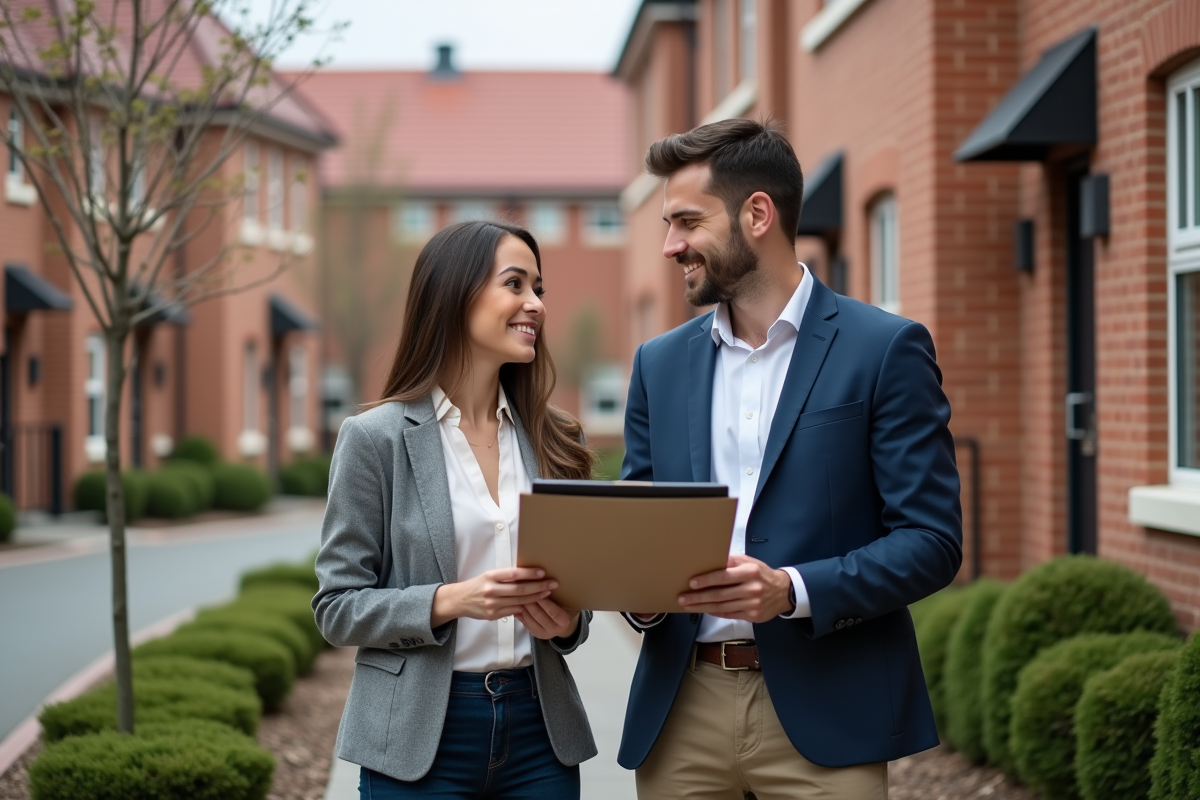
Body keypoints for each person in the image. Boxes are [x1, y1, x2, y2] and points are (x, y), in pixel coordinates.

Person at [618, 118, 963, 799]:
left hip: (830, 713)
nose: (670, 246)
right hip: (681, 710)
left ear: (757, 214)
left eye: (687, 221)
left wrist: (791, 591)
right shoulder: (657, 365)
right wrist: (639, 595)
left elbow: (931, 541)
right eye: (666, 224)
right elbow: (639, 526)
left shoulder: (884, 349)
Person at [313, 220, 597, 799]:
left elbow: (577, 592)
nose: (535, 304)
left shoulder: (555, 438)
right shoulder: (376, 439)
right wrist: (452, 601)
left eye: (539, 289)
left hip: (540, 731)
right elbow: (336, 607)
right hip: (418, 736)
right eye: (515, 285)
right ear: (454, 295)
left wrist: (569, 623)